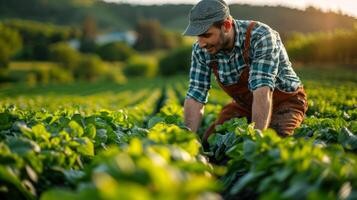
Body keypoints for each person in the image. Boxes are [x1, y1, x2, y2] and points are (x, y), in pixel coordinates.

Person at [182, 0, 308, 144]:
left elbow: (262, 89)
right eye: (197, 36)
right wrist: (186, 140)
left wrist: (256, 139)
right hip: (244, 106)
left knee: (274, 143)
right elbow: (196, 94)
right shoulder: (201, 50)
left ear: (227, 26)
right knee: (212, 142)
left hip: (285, 101)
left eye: (206, 35)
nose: (201, 43)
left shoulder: (260, 36)